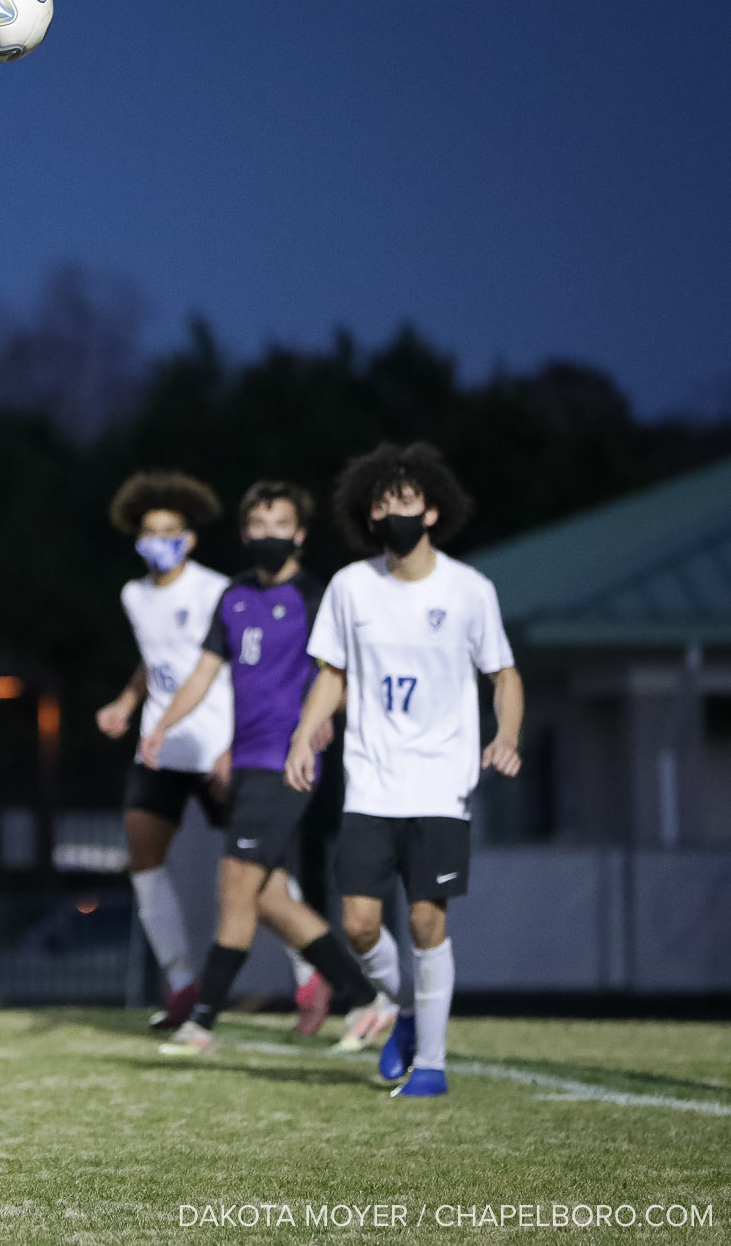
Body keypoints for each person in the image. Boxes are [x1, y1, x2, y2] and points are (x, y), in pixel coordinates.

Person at [285, 443, 522, 1098]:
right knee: (359, 923)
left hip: (440, 782)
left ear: (432, 510)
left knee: (425, 922)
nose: (393, 513)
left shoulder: (469, 589)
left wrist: (507, 733)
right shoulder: (351, 587)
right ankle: (411, 1011)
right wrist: (305, 735)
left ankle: (433, 1064)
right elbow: (331, 675)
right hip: (370, 780)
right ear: (367, 513)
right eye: (382, 504)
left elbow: (504, 674)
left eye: (405, 503)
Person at [141, 481, 391, 1056]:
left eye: (281, 525)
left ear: (299, 534)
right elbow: (203, 675)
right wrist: (161, 727)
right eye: (259, 525)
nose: (268, 535)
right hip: (248, 761)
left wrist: (324, 721)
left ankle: (201, 1023)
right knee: (270, 899)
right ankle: (364, 999)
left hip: (289, 763)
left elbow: (344, 673)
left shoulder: (314, 596)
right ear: (246, 532)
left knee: (235, 887)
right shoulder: (232, 597)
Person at [94, 470, 245, 1029]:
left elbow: (215, 665)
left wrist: (240, 739)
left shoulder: (214, 589)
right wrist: (125, 704)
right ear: (138, 538)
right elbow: (153, 660)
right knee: (142, 856)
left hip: (215, 742)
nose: (162, 540)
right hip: (159, 745)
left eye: (172, 530)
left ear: (191, 537)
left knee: (259, 867)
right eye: (152, 531)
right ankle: (181, 983)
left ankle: (311, 976)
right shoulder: (133, 595)